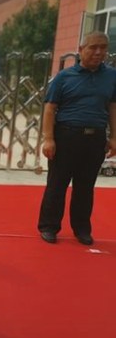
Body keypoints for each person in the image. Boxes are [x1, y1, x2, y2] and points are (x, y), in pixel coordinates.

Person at [37, 31, 116, 246]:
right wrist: (48, 139)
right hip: (66, 136)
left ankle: (81, 229)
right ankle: (49, 226)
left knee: (85, 187)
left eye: (103, 48)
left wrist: (114, 137)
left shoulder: (111, 76)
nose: (98, 52)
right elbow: (50, 108)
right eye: (93, 47)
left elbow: (113, 107)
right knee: (57, 184)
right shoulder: (64, 77)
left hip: (95, 138)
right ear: (81, 50)